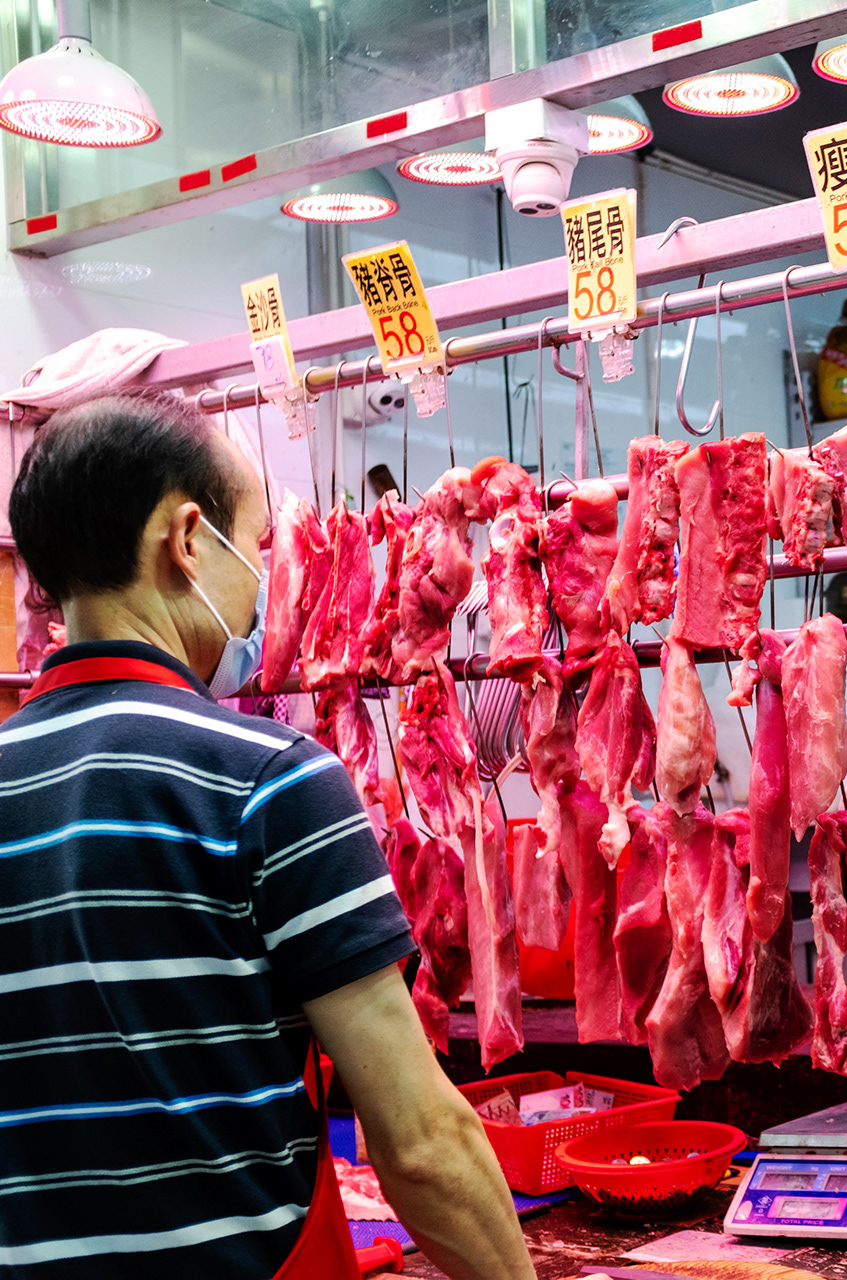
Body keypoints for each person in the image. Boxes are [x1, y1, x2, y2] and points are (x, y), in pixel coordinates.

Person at [1, 395, 535, 1279]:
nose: (258, 583)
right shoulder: (267, 784)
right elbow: (421, 1142)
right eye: (253, 547)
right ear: (185, 541)